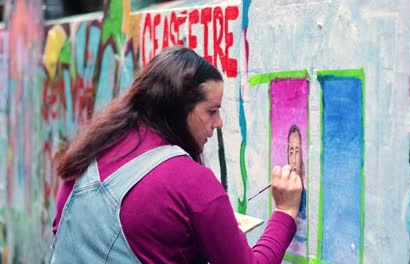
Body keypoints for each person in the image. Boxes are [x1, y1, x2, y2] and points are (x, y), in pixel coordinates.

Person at [50, 46, 303, 263]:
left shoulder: (87, 156)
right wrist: (284, 211)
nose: (219, 123)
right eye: (211, 111)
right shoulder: (189, 182)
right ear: (179, 109)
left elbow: (64, 234)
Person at [286, 124, 307, 254]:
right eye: (291, 152)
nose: (293, 159)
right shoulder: (284, 192)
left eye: (297, 151)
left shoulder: (305, 195)